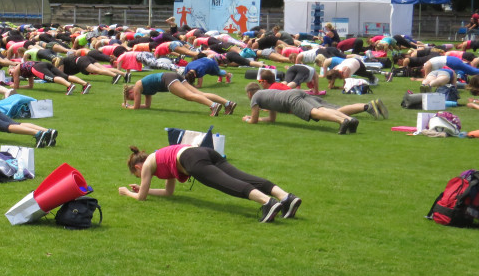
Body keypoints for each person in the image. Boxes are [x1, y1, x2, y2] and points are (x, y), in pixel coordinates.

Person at [117, 144, 301, 223]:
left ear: (138, 166)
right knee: (243, 176)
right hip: (203, 152)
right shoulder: (161, 159)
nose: (141, 177)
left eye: (137, 174)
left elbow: (140, 199)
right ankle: (285, 197)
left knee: (227, 183)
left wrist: (128, 192)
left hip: (191, 159)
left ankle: (267, 203)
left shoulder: (149, 164)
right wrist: (145, 189)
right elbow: (168, 193)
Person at [243, 82, 387, 134]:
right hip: (296, 93)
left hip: (291, 99)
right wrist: (261, 118)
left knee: (316, 113)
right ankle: (358, 113)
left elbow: (254, 120)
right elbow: (271, 118)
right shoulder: (266, 94)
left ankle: (343, 122)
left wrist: (248, 119)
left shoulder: (255, 97)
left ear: (249, 93)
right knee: (329, 109)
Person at [122, 72, 238, 116]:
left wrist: (128, 106)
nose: (134, 99)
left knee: (188, 96)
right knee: (199, 93)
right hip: (172, 76)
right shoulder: (145, 89)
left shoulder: (137, 87)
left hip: (167, 79)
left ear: (131, 92)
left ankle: (213, 106)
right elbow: (147, 106)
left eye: (131, 98)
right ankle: (228, 103)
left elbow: (136, 107)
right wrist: (132, 106)